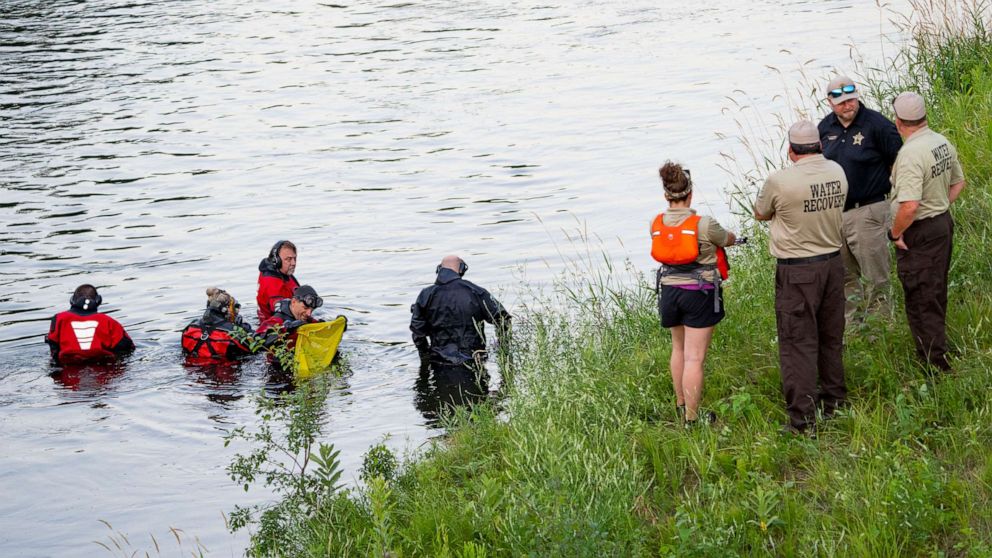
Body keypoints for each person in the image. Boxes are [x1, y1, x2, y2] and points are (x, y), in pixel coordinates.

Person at [754, 120, 848, 436]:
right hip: (834, 264)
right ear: (820, 146)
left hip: (798, 270)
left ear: (791, 150)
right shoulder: (837, 171)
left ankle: (803, 421)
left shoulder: (780, 180)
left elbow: (761, 212)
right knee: (831, 336)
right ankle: (835, 401)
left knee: (797, 343)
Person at [650, 161, 736, 426]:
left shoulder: (656, 223)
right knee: (694, 357)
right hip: (699, 293)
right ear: (690, 194)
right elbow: (727, 239)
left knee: (678, 348)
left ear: (666, 195)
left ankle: (680, 404)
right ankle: (692, 420)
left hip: (669, 291)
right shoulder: (704, 224)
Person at [888, 92, 965, 372]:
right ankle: (937, 348)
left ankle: (934, 363)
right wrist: (939, 205)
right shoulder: (940, 141)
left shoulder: (910, 154)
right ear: (924, 116)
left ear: (898, 121)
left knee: (921, 294)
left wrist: (895, 234)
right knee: (936, 288)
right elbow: (959, 183)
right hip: (941, 223)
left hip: (918, 229)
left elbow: (909, 205)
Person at [818, 75, 903, 323]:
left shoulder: (878, 125)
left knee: (876, 277)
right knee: (845, 278)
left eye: (852, 99)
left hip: (869, 209)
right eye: (842, 102)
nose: (848, 105)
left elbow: (898, 165)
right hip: (834, 215)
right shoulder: (824, 129)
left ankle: (881, 329)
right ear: (830, 102)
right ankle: (853, 332)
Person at [410, 255, 511, 370]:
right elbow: (503, 318)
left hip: (439, 363)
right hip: (473, 359)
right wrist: (502, 347)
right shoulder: (475, 291)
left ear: (439, 270)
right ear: (461, 269)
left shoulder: (426, 295)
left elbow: (417, 331)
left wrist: (425, 358)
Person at [44, 284, 135, 364]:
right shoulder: (109, 321)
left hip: (68, 367)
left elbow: (53, 346)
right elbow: (127, 346)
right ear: (98, 301)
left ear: (72, 300)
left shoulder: (59, 318)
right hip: (102, 366)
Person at [181, 287, 258, 361]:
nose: (235, 312)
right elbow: (256, 350)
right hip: (223, 371)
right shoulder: (232, 333)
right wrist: (246, 330)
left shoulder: (190, 329)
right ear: (225, 309)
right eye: (234, 308)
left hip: (194, 370)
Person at [256, 284, 322, 351]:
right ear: (293, 302)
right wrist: (287, 330)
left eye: (312, 310)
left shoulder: (306, 318)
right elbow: (258, 345)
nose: (309, 313)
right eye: (305, 308)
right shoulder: (276, 321)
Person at [256, 240, 301, 322]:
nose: (293, 263)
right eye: (289, 259)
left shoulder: (283, 272)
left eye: (295, 258)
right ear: (277, 261)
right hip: (276, 326)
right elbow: (279, 307)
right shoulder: (270, 283)